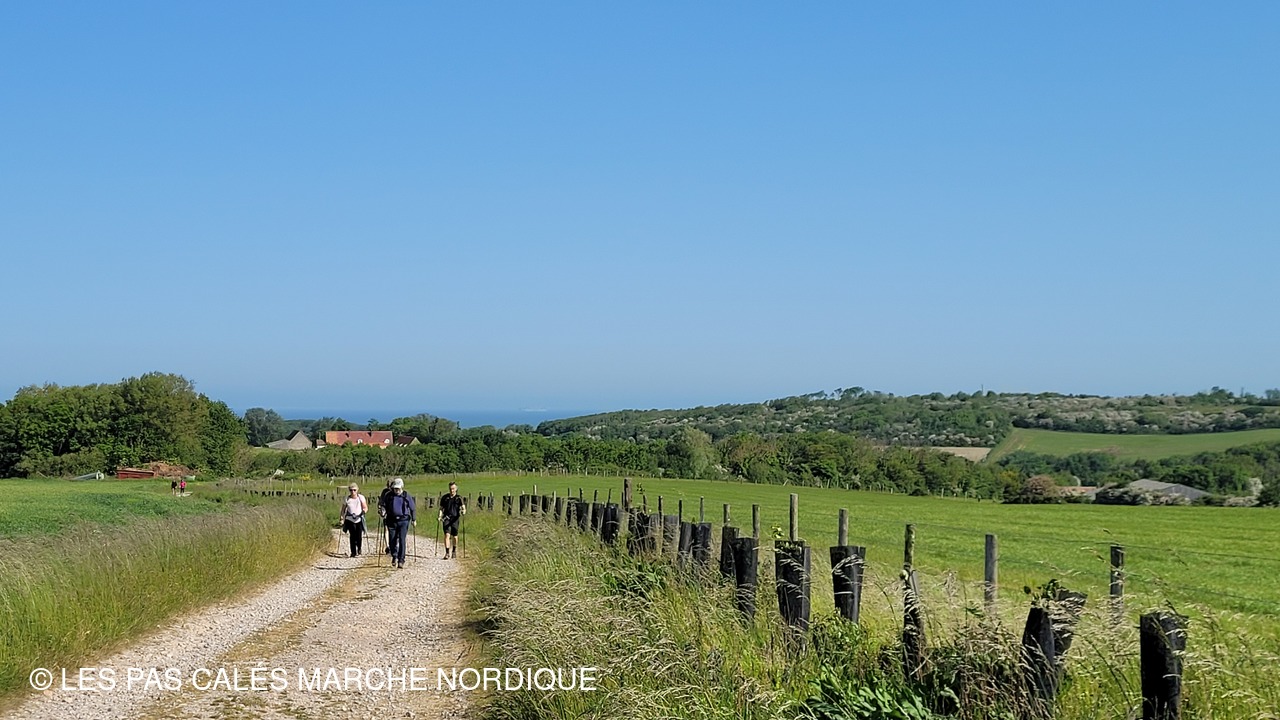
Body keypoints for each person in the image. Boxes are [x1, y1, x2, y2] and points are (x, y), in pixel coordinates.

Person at [381, 477, 415, 568]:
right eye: (395, 488)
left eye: (398, 488)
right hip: (391, 521)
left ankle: (401, 560)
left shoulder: (406, 495)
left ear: (402, 487)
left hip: (403, 520)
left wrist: (414, 519)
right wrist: (382, 511)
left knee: (402, 540)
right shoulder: (389, 496)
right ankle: (394, 555)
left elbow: (412, 508)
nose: (397, 490)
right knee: (392, 540)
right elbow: (383, 505)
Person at [438, 482, 466, 559]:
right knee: (447, 535)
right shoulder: (445, 498)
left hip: (455, 519)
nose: (452, 490)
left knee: (455, 536)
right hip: (446, 518)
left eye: (453, 489)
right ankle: (447, 553)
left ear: (456, 489)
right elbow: (441, 508)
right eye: (450, 489)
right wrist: (439, 516)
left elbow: (463, 507)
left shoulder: (459, 498)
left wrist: (463, 511)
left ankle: (454, 550)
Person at [340, 483, 368, 557]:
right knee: (352, 536)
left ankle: (359, 548)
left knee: (359, 535)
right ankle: (353, 552)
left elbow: (365, 507)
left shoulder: (361, 497)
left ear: (357, 490)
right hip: (350, 519)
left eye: (354, 490)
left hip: (359, 519)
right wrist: (342, 518)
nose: (353, 492)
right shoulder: (347, 499)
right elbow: (343, 510)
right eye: (351, 490)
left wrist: (363, 512)